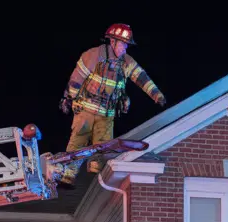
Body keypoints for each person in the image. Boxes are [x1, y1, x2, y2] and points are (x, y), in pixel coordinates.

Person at [57, 23, 166, 189]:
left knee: (104, 144)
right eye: (122, 44)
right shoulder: (93, 55)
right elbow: (76, 79)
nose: (124, 49)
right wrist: (68, 98)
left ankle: (93, 171)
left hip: (106, 114)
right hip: (85, 109)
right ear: (112, 42)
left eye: (127, 45)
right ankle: (68, 176)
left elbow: (142, 78)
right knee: (77, 142)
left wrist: (157, 95)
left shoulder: (126, 62)